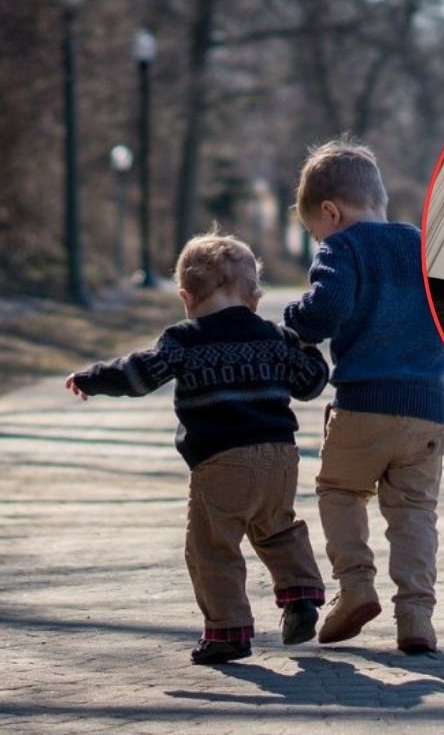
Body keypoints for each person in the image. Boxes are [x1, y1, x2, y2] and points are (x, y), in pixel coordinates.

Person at [65, 230, 329, 665]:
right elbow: (310, 384)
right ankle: (300, 597)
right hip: (280, 457)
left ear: (186, 296)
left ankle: (228, 631)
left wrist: (93, 378)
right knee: (278, 527)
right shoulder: (273, 336)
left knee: (212, 547)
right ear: (253, 297)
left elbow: (139, 375)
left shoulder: (184, 339)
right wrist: (309, 346)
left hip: (222, 460)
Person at [284, 138, 444, 654]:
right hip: (429, 412)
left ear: (331, 212)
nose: (318, 239)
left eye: (314, 231)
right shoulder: (425, 246)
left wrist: (294, 322)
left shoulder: (342, 247)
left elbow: (325, 311)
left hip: (363, 407)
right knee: (415, 512)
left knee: (340, 492)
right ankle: (416, 616)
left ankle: (355, 587)